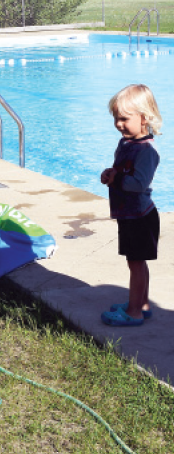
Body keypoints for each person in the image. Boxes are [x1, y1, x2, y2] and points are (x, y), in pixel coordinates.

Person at [100, 84, 162, 327]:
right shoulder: (126, 143)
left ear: (144, 118)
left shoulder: (146, 150)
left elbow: (139, 183)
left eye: (124, 118)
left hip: (140, 217)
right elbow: (122, 169)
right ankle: (141, 304)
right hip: (130, 215)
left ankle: (134, 312)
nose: (118, 123)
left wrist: (118, 179)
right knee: (135, 263)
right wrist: (110, 172)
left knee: (136, 264)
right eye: (116, 118)